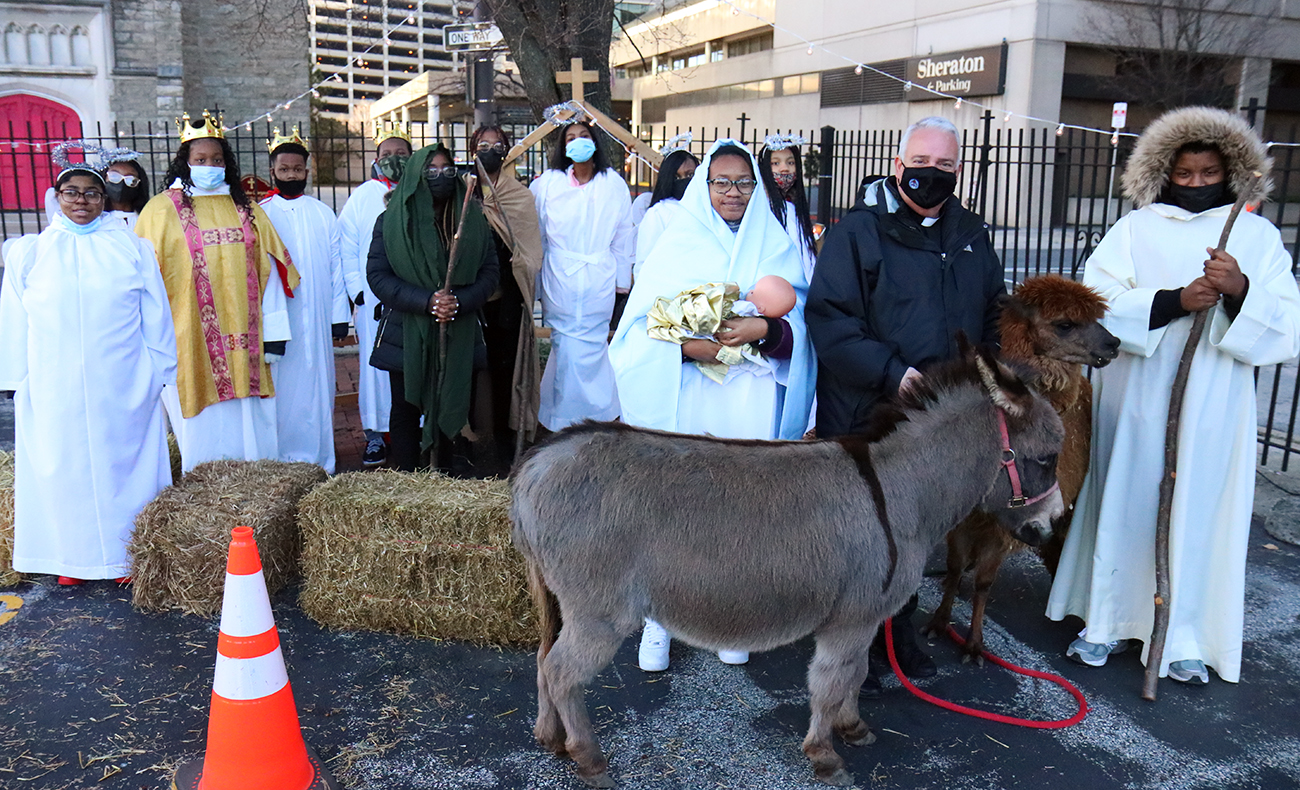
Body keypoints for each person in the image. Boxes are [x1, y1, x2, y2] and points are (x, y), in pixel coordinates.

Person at [1046, 107, 1300, 685]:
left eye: (1208, 173)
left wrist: (1240, 290)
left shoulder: (1255, 236)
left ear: (1229, 171)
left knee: (1199, 511)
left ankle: (1184, 631)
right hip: (1136, 398)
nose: (1195, 184)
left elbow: (1287, 328)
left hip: (1214, 403)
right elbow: (1096, 301)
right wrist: (1171, 302)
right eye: (1184, 174)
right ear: (1164, 173)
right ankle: (1108, 619)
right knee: (1126, 502)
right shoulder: (1135, 228)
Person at [806, 116, 1006, 695]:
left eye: (944, 165)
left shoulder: (971, 234)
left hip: (937, 419)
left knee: (916, 526)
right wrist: (894, 374)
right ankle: (854, 641)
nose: (930, 173)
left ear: (959, 171)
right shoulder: (858, 231)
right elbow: (831, 317)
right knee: (864, 529)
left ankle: (899, 628)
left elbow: (993, 309)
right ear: (898, 165)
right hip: (869, 407)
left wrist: (988, 370)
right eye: (920, 162)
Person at [610, 139, 816, 671]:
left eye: (743, 182)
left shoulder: (774, 243)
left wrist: (764, 328)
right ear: (704, 187)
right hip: (690, 394)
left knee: (744, 509)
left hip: (751, 394)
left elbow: (803, 323)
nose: (733, 192)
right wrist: (685, 348)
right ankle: (659, 618)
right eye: (721, 182)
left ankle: (734, 615)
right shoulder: (677, 243)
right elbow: (634, 333)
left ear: (757, 186)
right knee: (678, 504)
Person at [0, 163, 176, 585]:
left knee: (123, 465)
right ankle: (72, 561)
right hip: (53, 381)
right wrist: (16, 380)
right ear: (57, 197)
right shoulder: (31, 252)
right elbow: (15, 316)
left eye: (91, 193)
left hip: (122, 379)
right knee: (64, 466)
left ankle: (125, 557)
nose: (81, 200)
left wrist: (158, 369)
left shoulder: (132, 249)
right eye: (72, 192)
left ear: (104, 199)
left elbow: (156, 311)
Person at [135, 110, 299, 473]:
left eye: (217, 160)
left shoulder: (248, 209)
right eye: (201, 160)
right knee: (202, 428)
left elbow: (270, 272)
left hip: (247, 341)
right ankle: (202, 479)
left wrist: (275, 333)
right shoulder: (160, 211)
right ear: (185, 162)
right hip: (189, 338)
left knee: (250, 425)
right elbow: (144, 282)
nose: (209, 166)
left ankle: (258, 476)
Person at [366, 144, 499, 472]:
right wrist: (427, 301)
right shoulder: (392, 221)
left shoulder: (472, 220)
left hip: (460, 328)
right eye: (431, 170)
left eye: (447, 170)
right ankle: (409, 477)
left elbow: (490, 272)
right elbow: (378, 276)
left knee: (452, 402)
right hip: (407, 330)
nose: (440, 176)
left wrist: (458, 302)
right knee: (406, 408)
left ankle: (447, 477)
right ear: (416, 175)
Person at [530, 118, 635, 431]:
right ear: (563, 146)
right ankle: (561, 417)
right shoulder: (547, 184)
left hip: (598, 277)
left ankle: (599, 413)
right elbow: (537, 234)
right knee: (564, 346)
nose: (578, 141)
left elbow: (623, 236)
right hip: (559, 275)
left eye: (584, 135)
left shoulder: (613, 183)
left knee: (592, 345)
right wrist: (537, 282)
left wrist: (621, 283)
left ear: (595, 141)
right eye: (570, 137)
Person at [259, 127, 351, 473]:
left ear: (307, 171)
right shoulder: (261, 214)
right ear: (272, 171)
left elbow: (336, 266)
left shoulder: (322, 213)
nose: (291, 175)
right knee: (283, 388)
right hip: (280, 316)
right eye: (284, 170)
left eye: (297, 169)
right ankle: (282, 458)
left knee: (318, 385)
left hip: (318, 314)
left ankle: (321, 460)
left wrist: (339, 316)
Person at [338, 123, 414, 467]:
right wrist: (358, 292)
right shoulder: (363, 195)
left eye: (401, 153)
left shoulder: (421, 188)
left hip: (414, 298)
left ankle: (414, 431)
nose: (393, 159)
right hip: (374, 300)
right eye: (387, 154)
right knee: (376, 368)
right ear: (376, 158)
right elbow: (348, 244)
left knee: (413, 366)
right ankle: (375, 435)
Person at [471, 125, 544, 470]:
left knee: (503, 373)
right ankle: (469, 441)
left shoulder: (518, 196)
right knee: (470, 373)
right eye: (483, 145)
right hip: (469, 301)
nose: (490, 150)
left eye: (497, 145)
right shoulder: (463, 191)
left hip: (505, 302)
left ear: (506, 151)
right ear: (472, 149)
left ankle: (504, 443)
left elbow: (530, 251)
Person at [44, 142, 149, 230]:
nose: (121, 182)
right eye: (114, 176)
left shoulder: (146, 217)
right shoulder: (92, 220)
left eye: (130, 179)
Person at [758, 134, 817, 282]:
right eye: (775, 163)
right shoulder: (760, 207)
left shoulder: (793, 207)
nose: (784, 169)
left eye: (791, 163)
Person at [635, 145, 699, 278]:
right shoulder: (659, 213)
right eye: (677, 177)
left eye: (690, 175)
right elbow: (645, 262)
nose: (684, 181)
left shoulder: (708, 209)